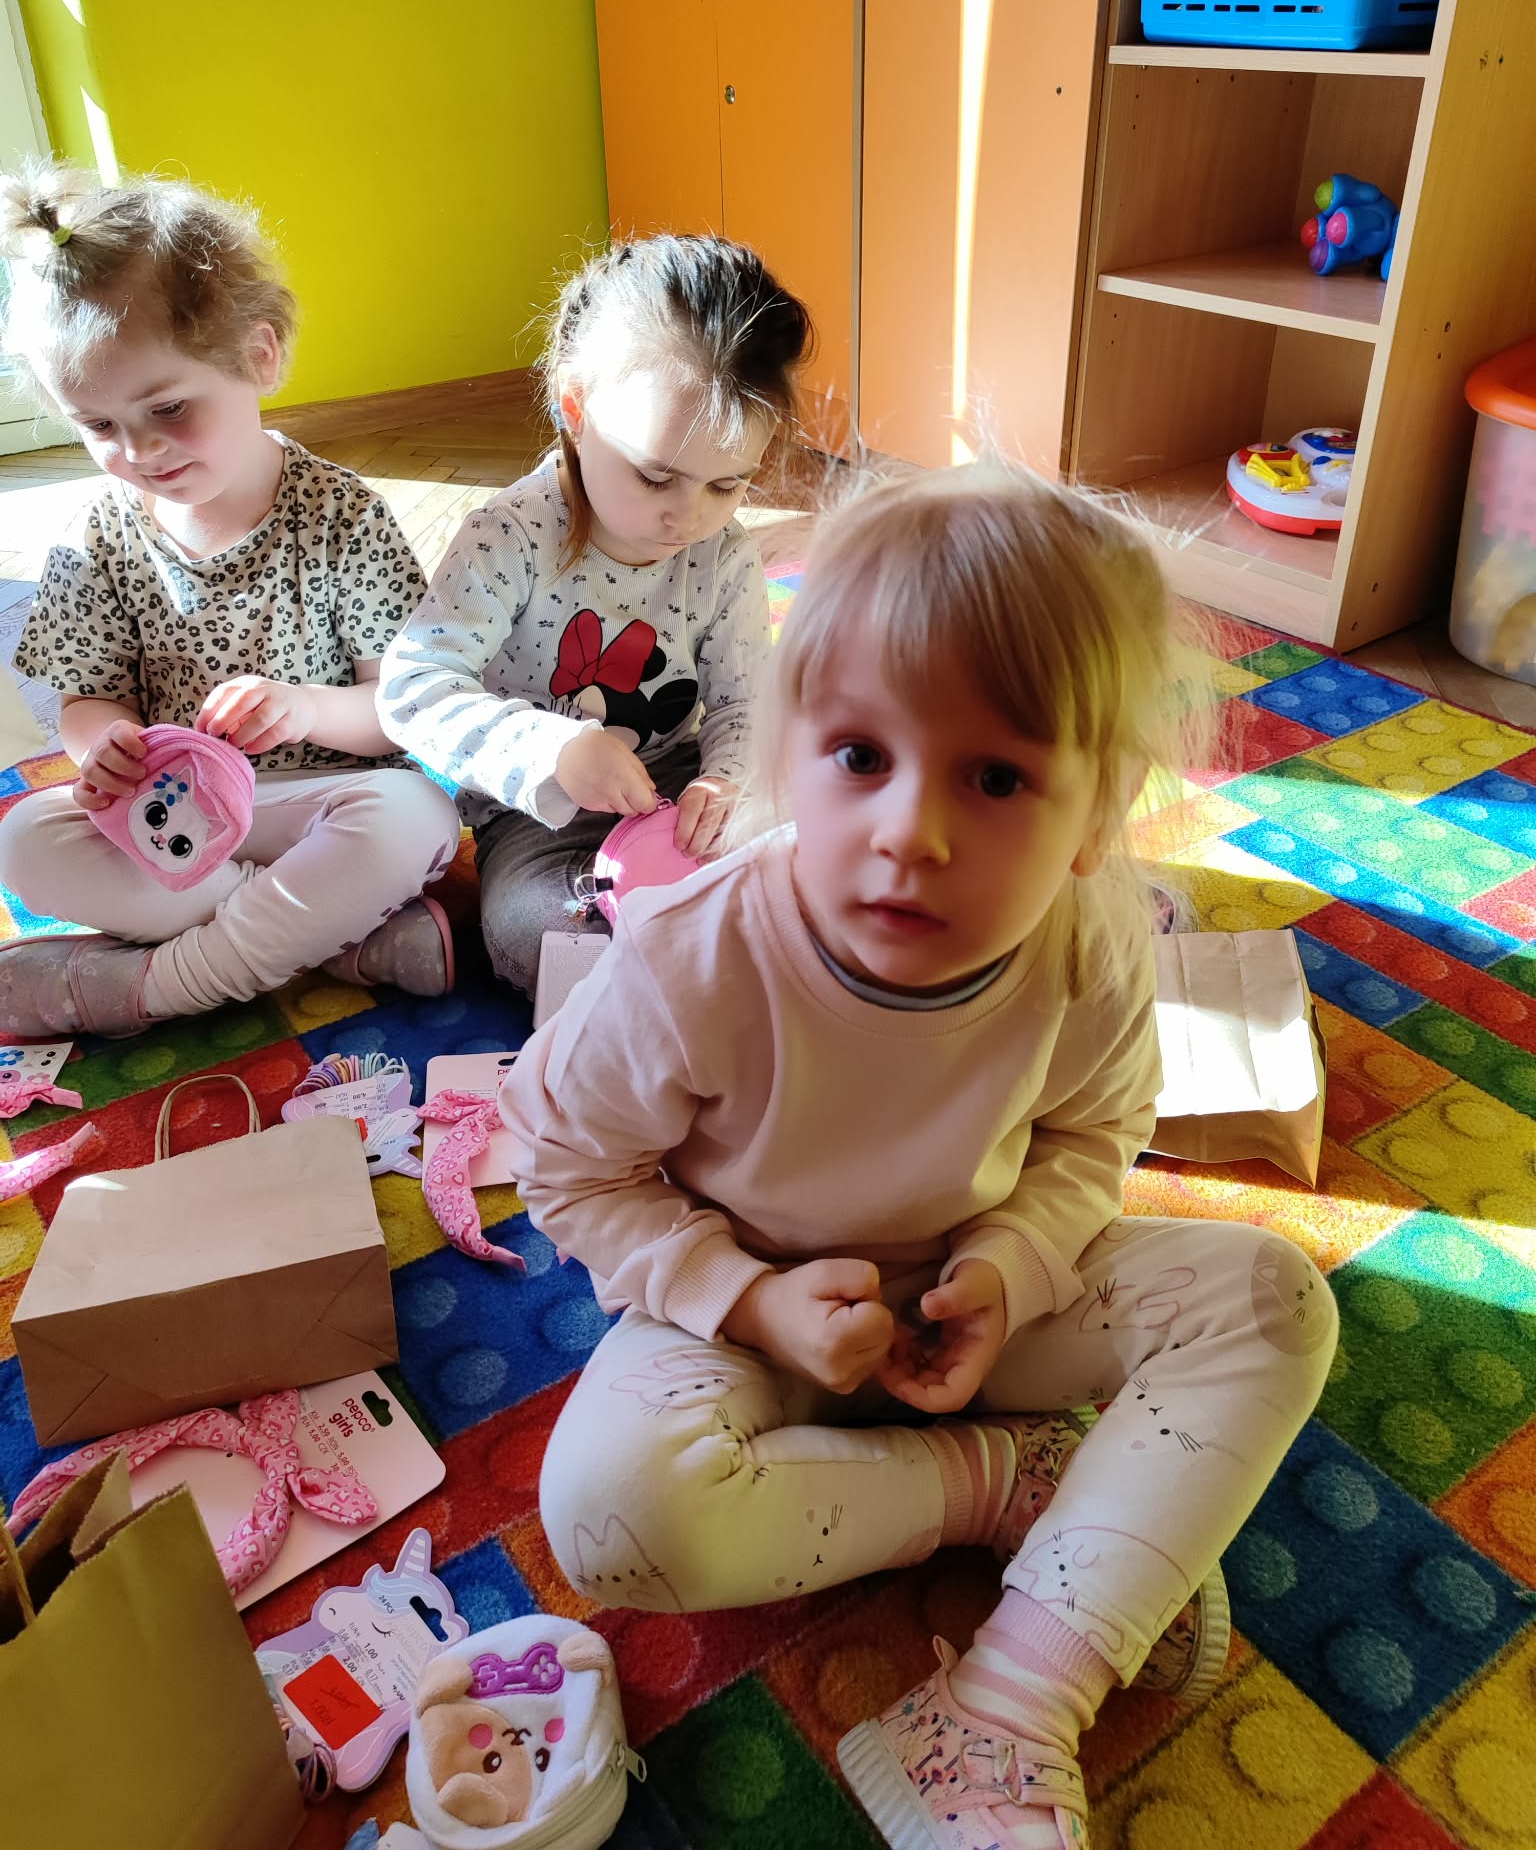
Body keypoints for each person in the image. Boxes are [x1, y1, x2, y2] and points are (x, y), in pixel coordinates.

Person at [499, 464, 1338, 1850]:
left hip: (979, 1305)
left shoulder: (1093, 941)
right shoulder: (695, 957)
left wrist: (1014, 1261)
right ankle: (1012, 1484)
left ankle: (1003, 1710)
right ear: (791, 749)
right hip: (754, 1320)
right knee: (610, 1516)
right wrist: (748, 1298)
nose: (910, 833)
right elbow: (568, 1168)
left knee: (1274, 1303)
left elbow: (1093, 1134)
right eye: (859, 756)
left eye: (997, 777)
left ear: (1099, 811)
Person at [0, 165, 461, 1036]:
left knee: (420, 816)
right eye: (98, 426)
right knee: (23, 840)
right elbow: (88, 698)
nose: (139, 451)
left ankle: (148, 990)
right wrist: (105, 746)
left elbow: (400, 710)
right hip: (171, 821)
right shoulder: (96, 534)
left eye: (169, 408)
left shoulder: (342, 514)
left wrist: (304, 708)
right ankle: (334, 942)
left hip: (319, 807)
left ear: (260, 355)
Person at [377, 234, 811, 992]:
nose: (689, 516)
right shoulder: (511, 536)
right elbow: (413, 688)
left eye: (727, 485)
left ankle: (722, 959)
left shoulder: (725, 556)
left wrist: (726, 781)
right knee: (532, 932)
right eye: (656, 477)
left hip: (679, 778)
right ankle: (694, 972)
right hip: (540, 816)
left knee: (822, 843)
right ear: (577, 411)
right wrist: (554, 752)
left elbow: (745, 703)